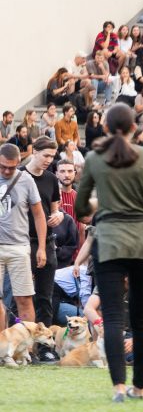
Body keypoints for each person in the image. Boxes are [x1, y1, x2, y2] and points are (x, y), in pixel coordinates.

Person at [75, 103, 143, 401]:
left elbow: (79, 208)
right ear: (134, 128)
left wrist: (99, 205)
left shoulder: (94, 158)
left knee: (113, 318)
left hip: (110, 241)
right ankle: (139, 388)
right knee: (142, 317)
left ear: (104, 127)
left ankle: (118, 387)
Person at [20, 136, 61, 362]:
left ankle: (45, 347)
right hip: (21, 241)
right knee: (18, 297)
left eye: (52, 157)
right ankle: (18, 345)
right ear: (33, 151)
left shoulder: (51, 179)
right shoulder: (17, 175)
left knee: (45, 297)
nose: (48, 160)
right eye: (45, 155)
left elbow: (55, 209)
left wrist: (58, 215)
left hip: (46, 241)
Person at [0, 143, 46, 330]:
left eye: (11, 167)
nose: (7, 171)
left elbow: (39, 214)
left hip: (19, 246)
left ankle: (27, 352)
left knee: (24, 298)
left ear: (19, 162)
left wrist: (42, 247)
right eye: (2, 166)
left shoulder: (26, 179)